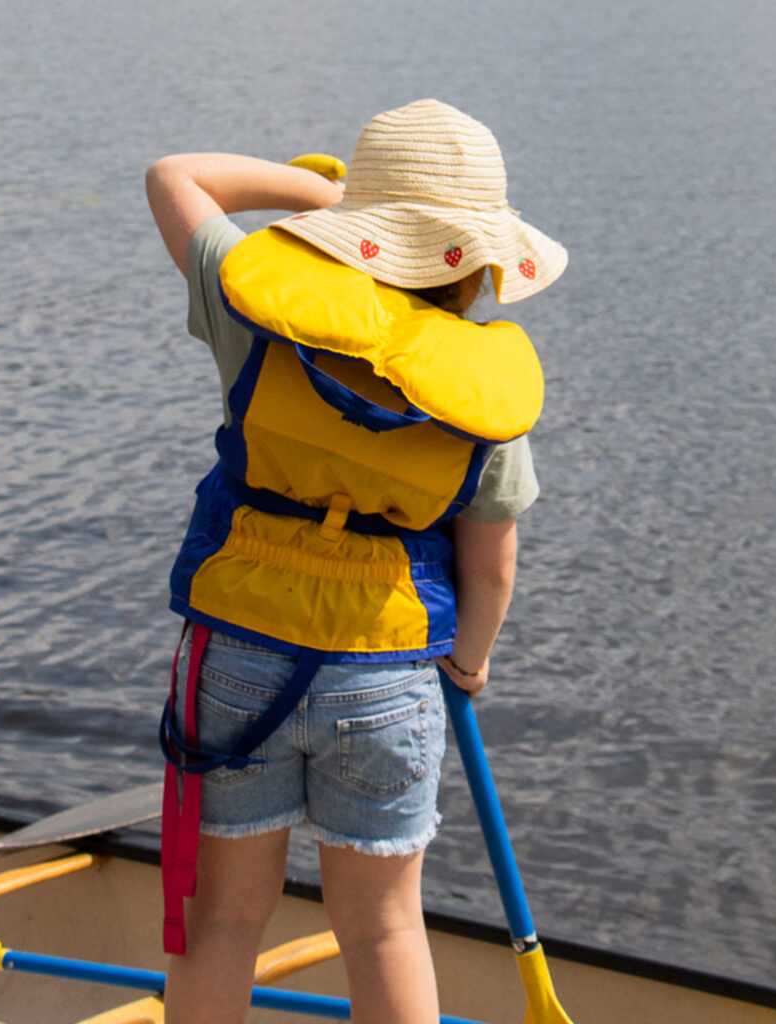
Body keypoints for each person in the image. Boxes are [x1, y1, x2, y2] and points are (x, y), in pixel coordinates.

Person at [146, 98, 567, 1024]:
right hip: (386, 679)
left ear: (356, 229)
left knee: (221, 919)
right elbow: (490, 565)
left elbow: (176, 176)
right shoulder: (482, 393)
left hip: (239, 662)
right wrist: (472, 659)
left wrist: (318, 189)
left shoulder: (255, 309)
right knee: (381, 928)